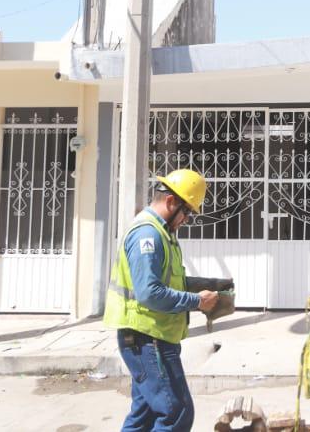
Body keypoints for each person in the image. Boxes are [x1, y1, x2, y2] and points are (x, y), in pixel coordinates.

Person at [105, 169, 218, 432]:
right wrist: (196, 301)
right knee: (175, 413)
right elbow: (149, 293)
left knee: (144, 414)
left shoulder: (163, 233)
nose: (187, 219)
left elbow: (167, 281)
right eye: (187, 211)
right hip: (147, 337)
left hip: (151, 336)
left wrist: (205, 288)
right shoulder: (149, 235)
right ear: (171, 202)